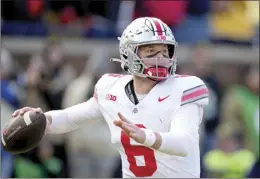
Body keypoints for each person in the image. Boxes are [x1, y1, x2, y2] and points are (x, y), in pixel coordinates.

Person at [9, 17, 209, 178]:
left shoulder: (185, 87)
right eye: (151, 51)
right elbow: (71, 118)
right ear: (128, 53)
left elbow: (183, 143)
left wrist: (145, 137)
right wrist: (43, 119)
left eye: (165, 51)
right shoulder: (112, 88)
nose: (161, 59)